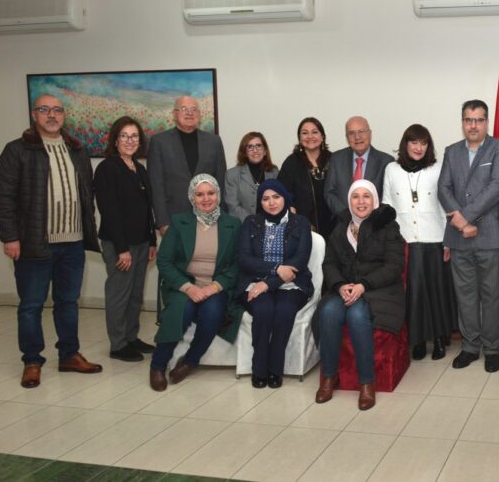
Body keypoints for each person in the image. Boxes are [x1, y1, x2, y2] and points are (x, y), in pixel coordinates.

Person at [0, 94, 104, 389]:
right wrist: (10, 237)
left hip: (73, 243)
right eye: (44, 109)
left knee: (68, 302)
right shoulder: (17, 150)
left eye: (57, 110)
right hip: (33, 244)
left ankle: (69, 355)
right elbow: (1, 197)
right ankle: (32, 361)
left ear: (64, 115)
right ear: (34, 114)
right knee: (31, 305)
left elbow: (86, 193)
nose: (51, 115)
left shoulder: (77, 150)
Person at [315, 180, 405, 411]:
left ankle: (367, 382)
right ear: (349, 201)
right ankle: (329, 377)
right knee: (328, 311)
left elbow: (394, 265)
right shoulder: (340, 227)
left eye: (367, 196)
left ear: (375, 201)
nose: (361, 201)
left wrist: (363, 285)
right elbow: (329, 263)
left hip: (379, 290)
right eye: (356, 196)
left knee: (356, 315)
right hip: (345, 288)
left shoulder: (388, 226)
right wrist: (339, 285)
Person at [439, 100, 499, 373]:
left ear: (486, 122)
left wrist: (464, 217)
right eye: (468, 120)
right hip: (459, 239)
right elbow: (443, 188)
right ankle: (470, 346)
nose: (473, 125)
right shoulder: (452, 151)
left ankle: (492, 348)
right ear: (462, 122)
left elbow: (496, 188)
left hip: (491, 237)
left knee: (493, 296)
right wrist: (461, 224)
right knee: (465, 295)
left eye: (479, 120)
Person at [150, 174, 241, 391]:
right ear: (192, 197)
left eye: (211, 193)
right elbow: (164, 261)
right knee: (182, 310)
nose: (206, 199)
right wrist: (188, 288)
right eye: (200, 194)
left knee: (212, 312)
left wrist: (214, 287)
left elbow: (238, 264)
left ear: (218, 195)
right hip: (183, 286)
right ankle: (158, 365)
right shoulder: (179, 223)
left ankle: (190, 361)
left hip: (217, 287)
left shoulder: (233, 224)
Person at [382, 124, 456, 361]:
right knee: (414, 294)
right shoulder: (391, 169)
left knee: (436, 292)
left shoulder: (437, 169)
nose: (418, 148)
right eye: (414, 142)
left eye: (424, 143)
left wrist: (448, 242)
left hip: (434, 239)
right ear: (405, 144)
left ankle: (439, 340)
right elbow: (387, 205)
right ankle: (419, 341)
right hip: (405, 241)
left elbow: (445, 207)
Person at [237, 180, 313, 388]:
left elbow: (299, 262)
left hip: (292, 283)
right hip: (255, 282)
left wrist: (268, 284)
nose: (271, 203)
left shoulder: (300, 222)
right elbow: (244, 259)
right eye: (265, 199)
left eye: (276, 197)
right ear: (260, 202)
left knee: (284, 311)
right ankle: (259, 368)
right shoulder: (251, 222)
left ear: (285, 198)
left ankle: (275, 369)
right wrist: (276, 269)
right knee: (263, 311)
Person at [93, 115, 157, 362]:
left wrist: (152, 241)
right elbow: (109, 211)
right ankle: (118, 344)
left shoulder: (139, 169)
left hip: (141, 242)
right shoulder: (107, 169)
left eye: (134, 136)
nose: (130, 141)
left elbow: (147, 208)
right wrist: (122, 249)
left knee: (135, 294)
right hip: (119, 244)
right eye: (124, 136)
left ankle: (131, 337)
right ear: (115, 140)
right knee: (119, 294)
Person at [147, 96, 227, 235]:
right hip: (174, 218)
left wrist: (221, 215)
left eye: (194, 109)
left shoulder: (214, 141)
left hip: (208, 217)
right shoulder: (159, 142)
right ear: (174, 114)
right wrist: (162, 221)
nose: (190, 113)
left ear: (199, 114)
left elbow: (220, 181)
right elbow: (156, 185)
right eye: (184, 109)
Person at [323, 116, 394, 219]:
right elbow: (329, 193)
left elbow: (387, 197)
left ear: (370, 133)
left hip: (375, 223)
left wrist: (370, 219)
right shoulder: (336, 159)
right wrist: (346, 215)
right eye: (351, 133)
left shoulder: (386, 161)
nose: (357, 137)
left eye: (361, 131)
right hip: (343, 222)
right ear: (347, 137)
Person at [277, 117, 335, 236]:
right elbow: (282, 192)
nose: (310, 136)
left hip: (334, 226)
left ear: (322, 136)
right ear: (299, 138)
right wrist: (291, 209)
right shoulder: (291, 163)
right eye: (305, 133)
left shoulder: (334, 160)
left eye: (315, 132)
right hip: (303, 228)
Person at [225, 132, 278, 221]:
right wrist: (253, 222)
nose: (255, 150)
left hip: (271, 223)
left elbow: (279, 202)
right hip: (244, 224)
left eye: (258, 146)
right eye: (250, 147)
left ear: (265, 151)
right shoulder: (232, 175)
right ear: (244, 152)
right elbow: (233, 206)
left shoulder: (275, 173)